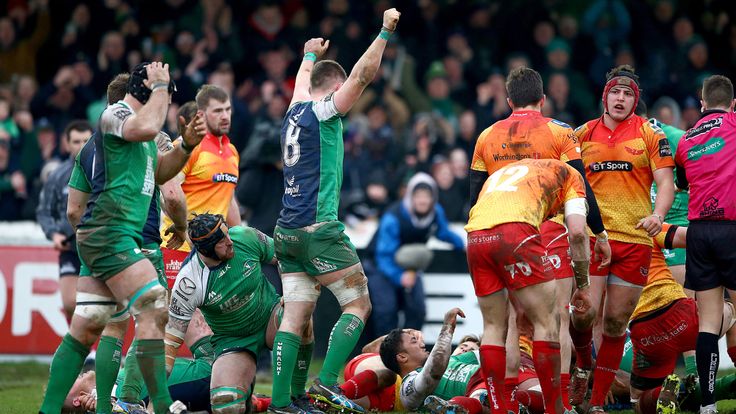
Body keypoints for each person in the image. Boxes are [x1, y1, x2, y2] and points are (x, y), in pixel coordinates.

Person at [39, 62, 206, 414]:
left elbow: (160, 171)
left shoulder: (124, 141)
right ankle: (158, 406)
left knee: (88, 328)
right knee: (155, 305)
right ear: (149, 91)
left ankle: (50, 409)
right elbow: (146, 127)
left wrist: (186, 146)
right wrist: (162, 87)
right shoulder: (116, 114)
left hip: (103, 238)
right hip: (114, 236)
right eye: (165, 96)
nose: (167, 107)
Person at [270, 8, 401, 414]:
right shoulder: (325, 109)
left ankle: (281, 402)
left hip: (285, 233)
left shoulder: (293, 110)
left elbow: (299, 85)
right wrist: (384, 31)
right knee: (358, 304)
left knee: (297, 317)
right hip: (316, 229)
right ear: (334, 88)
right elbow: (363, 76)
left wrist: (308, 55)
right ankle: (327, 385)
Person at [469, 66, 610, 412]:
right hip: (543, 226)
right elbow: (581, 190)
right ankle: (556, 402)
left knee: (503, 323)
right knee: (553, 317)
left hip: (483, 227)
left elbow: (473, 196)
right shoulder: (559, 132)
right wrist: (600, 232)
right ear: (543, 99)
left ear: (507, 100)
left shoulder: (486, 135)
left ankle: (505, 401)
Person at [568, 65, 674, 414]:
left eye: (628, 94)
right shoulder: (582, 135)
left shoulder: (649, 133)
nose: (621, 99)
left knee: (614, 322)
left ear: (635, 101)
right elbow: (568, 185)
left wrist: (658, 215)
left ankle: (596, 402)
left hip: (636, 240)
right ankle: (583, 367)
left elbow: (666, 182)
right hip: (596, 240)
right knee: (585, 314)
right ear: (605, 95)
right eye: (616, 92)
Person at [467, 158, 594, 414]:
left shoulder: (507, 172)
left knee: (494, 326)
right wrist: (583, 284)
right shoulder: (571, 176)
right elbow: (578, 233)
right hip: (516, 230)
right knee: (548, 320)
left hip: (476, 235)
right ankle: (555, 408)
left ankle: (500, 407)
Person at [165, 213, 317, 414]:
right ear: (206, 249)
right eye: (222, 241)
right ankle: (253, 399)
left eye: (228, 234)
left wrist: (290, 292)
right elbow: (171, 343)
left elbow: (286, 257)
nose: (230, 242)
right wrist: (156, 398)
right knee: (225, 404)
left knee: (300, 311)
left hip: (270, 317)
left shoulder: (244, 237)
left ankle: (297, 397)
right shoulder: (188, 283)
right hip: (233, 341)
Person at [674, 74, 736, 414]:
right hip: (732, 227)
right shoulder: (734, 123)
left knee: (708, 322)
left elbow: (682, 182)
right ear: (733, 103)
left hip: (698, 232)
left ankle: (708, 405)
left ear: (701, 104)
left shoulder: (685, 140)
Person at [627, 222, 736, 414]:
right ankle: (720, 382)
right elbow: (693, 237)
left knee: (637, 401)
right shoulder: (647, 224)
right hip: (680, 317)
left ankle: (663, 391)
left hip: (644, 332)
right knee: (730, 311)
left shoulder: (600, 242)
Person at [160, 84, 241, 282]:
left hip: (214, 255)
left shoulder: (231, 152)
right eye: (217, 111)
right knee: (180, 313)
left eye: (227, 109)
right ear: (201, 114)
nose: (225, 116)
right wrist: (184, 229)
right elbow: (167, 193)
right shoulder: (187, 147)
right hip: (180, 250)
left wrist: (240, 242)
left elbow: (228, 200)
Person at [369, 172, 464, 335]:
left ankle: (409, 350)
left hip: (410, 267)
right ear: (410, 196)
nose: (422, 200)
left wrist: (462, 245)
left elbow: (443, 232)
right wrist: (400, 277)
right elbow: (383, 255)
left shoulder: (435, 212)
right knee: (386, 310)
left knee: (418, 309)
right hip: (381, 267)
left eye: (427, 196)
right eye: (418, 196)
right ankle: (383, 355)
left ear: (433, 197)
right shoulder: (393, 217)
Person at [62, 318, 215, 413]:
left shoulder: (112, 386)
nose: (75, 375)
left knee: (178, 302)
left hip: (207, 367)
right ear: (77, 399)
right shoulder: (114, 402)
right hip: (212, 373)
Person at [36, 119, 93, 320]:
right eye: (76, 141)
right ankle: (84, 349)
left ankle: (97, 349)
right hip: (70, 247)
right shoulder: (57, 175)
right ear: (66, 144)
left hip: (100, 245)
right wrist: (54, 234)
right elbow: (44, 211)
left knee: (102, 306)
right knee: (70, 302)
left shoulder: (106, 172)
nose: (81, 146)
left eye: (86, 140)